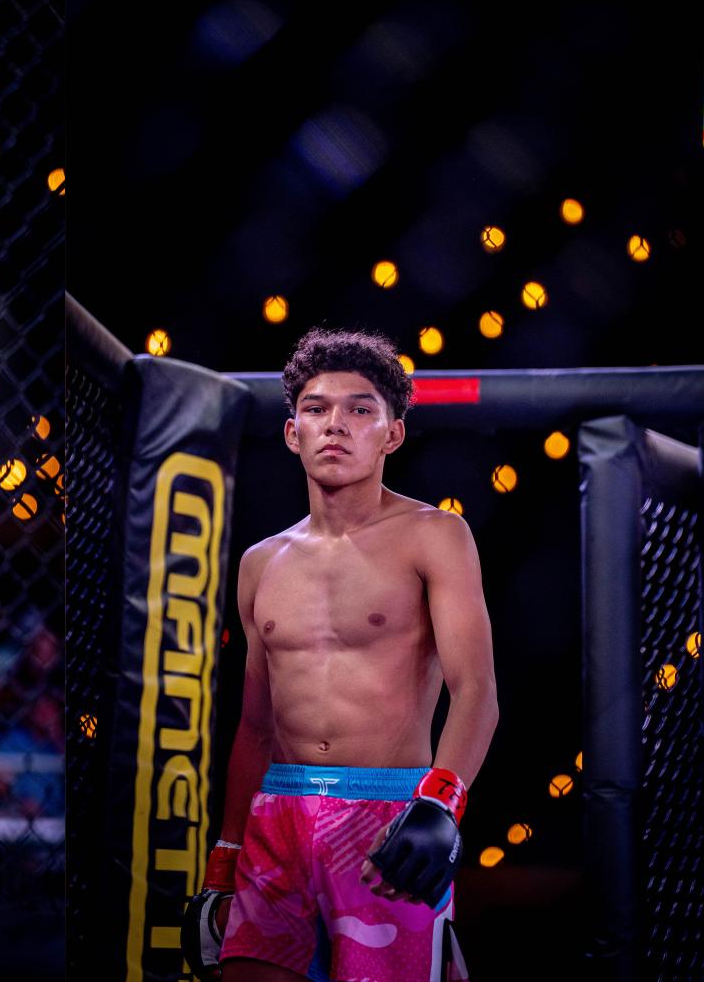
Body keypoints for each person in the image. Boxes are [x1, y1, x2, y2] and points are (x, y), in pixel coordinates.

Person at [183, 328, 498, 981]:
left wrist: (440, 804)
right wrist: (223, 859)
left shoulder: (435, 536)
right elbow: (255, 726)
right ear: (292, 432)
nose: (336, 425)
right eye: (318, 409)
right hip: (277, 815)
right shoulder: (260, 562)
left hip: (388, 815)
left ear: (392, 434)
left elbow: (476, 693)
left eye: (360, 409)